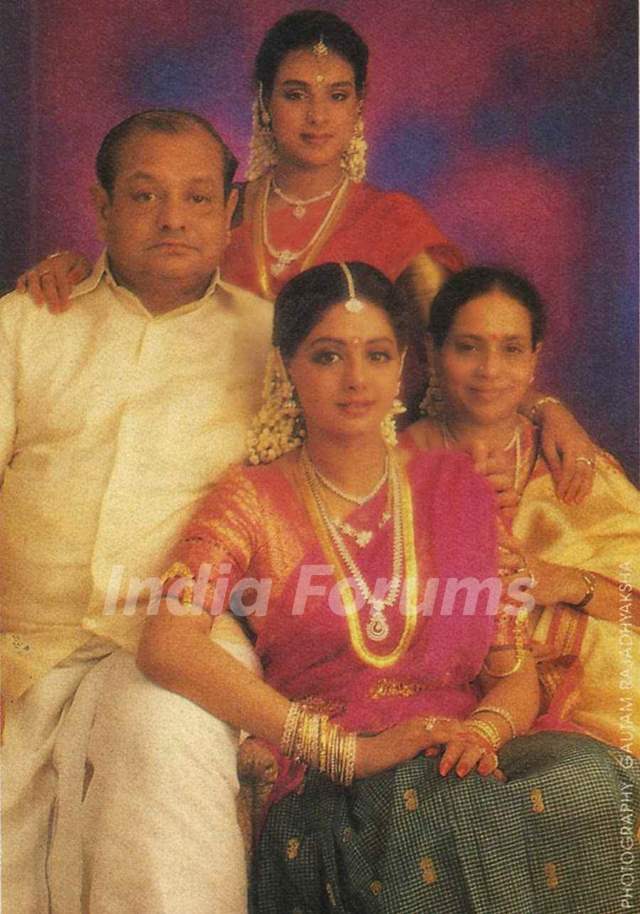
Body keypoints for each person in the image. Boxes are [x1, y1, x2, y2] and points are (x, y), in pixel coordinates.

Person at [137, 261, 634, 913]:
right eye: (327, 356)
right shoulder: (249, 500)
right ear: (288, 365)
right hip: (335, 776)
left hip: (464, 752)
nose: (354, 379)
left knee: (599, 783)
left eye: (375, 355)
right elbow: (168, 643)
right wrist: (343, 751)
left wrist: (481, 732)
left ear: (401, 365)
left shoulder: (454, 486)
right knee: (439, 808)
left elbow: (512, 671)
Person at [14, 10, 598, 496]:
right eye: (296, 95)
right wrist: (73, 268)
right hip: (198, 472)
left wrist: (545, 408)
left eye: (336, 96)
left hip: (355, 473)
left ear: (358, 106)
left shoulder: (395, 222)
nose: (317, 116)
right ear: (265, 104)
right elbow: (136, 293)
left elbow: (469, 347)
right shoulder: (212, 209)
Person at [0, 109, 274, 914]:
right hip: (21, 641)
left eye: (197, 197)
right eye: (146, 195)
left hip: (181, 640)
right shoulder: (25, 324)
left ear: (229, 214)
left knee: (163, 739)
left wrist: (541, 414)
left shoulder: (275, 341)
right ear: (101, 208)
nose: (173, 218)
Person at [404, 265, 640, 755]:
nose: (490, 371)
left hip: (597, 706)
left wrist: (569, 583)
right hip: (449, 706)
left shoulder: (572, 465)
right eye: (468, 347)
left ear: (534, 360)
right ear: (433, 352)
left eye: (511, 349)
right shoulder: (391, 467)